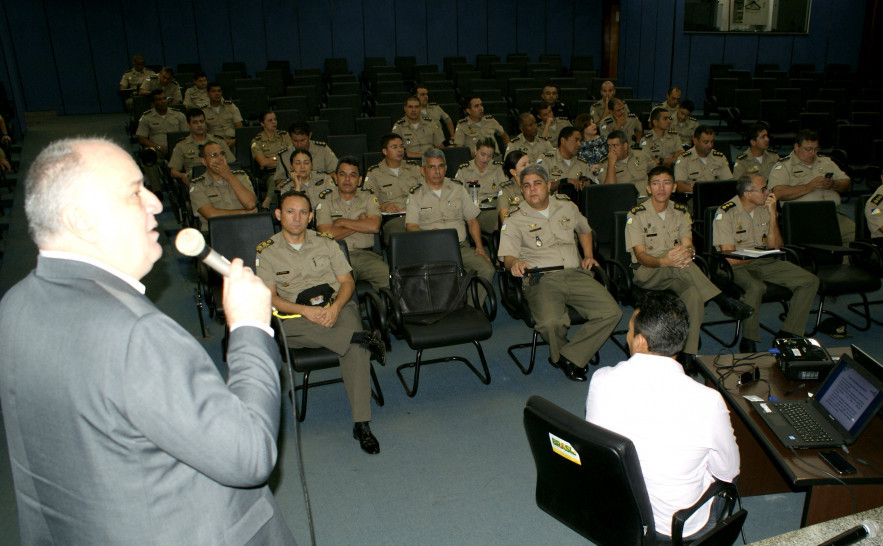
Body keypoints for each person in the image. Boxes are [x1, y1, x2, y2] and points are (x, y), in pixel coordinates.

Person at [0, 137, 295, 544]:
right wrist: (249, 327)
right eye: (135, 192)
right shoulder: (136, 334)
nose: (156, 203)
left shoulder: (14, 305)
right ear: (80, 220)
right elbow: (250, 455)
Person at [586, 292, 740, 540]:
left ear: (641, 342)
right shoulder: (708, 401)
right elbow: (728, 472)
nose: (627, 336)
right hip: (677, 527)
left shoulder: (601, 380)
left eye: (629, 330)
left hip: (619, 510)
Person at [256, 190, 384, 454]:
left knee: (356, 350)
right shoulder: (267, 252)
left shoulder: (326, 243)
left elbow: (347, 282)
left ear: (311, 216)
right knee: (283, 331)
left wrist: (336, 307)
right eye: (290, 211)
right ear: (279, 215)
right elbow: (270, 298)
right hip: (296, 315)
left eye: (303, 212)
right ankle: (357, 336)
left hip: (335, 304)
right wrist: (305, 311)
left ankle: (362, 424)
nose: (297, 218)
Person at [498, 164, 621, 382]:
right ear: (521, 191)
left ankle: (567, 356)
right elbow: (507, 257)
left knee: (612, 312)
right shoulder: (514, 218)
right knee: (551, 322)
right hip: (538, 275)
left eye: (537, 183)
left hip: (574, 272)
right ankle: (568, 355)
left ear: (547, 185)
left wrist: (589, 254)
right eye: (526, 186)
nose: (532, 189)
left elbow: (584, 229)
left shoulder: (567, 207)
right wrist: (514, 262)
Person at [626, 166, 753, 368]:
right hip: (648, 271)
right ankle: (720, 298)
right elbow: (641, 256)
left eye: (667, 183)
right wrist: (664, 261)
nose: (661, 188)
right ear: (648, 188)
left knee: (693, 293)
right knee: (680, 264)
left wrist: (688, 253)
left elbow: (689, 244)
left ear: (674, 187)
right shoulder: (636, 215)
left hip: (679, 269)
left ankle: (689, 354)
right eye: (656, 183)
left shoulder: (681, 211)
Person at [713, 174, 819, 353]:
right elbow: (730, 258)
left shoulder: (765, 208)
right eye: (763, 189)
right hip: (735, 266)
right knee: (755, 287)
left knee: (810, 281)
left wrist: (772, 215)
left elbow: (775, 246)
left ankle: (789, 333)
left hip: (763, 261)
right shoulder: (726, 212)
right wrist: (760, 255)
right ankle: (749, 339)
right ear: (747, 194)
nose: (768, 192)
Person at [405, 148, 495, 306]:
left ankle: (471, 308)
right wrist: (430, 236)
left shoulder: (458, 189)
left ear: (446, 168)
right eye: (431, 167)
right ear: (422, 170)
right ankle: (445, 310)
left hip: (460, 247)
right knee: (440, 276)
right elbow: (411, 227)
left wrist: (480, 247)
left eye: (440, 166)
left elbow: (472, 220)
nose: (437, 171)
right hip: (432, 249)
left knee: (487, 269)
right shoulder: (415, 195)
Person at [768, 129, 854, 244]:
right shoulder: (784, 166)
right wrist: (809, 187)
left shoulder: (826, 161)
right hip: (803, 216)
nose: (813, 153)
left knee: (855, 234)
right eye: (808, 149)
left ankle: (845, 262)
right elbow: (778, 192)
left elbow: (847, 183)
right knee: (823, 239)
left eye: (815, 149)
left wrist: (833, 184)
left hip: (832, 213)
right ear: (797, 147)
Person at [315, 157, 389, 289]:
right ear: (336, 179)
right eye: (342, 174)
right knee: (336, 289)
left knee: (391, 280)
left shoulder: (368, 197)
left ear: (359, 180)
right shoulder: (325, 200)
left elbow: (374, 226)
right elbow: (326, 233)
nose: (347, 179)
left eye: (352, 175)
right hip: (336, 257)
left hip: (366, 256)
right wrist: (360, 223)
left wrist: (342, 222)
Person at [363, 133, 422, 244]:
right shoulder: (374, 173)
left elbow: (427, 191)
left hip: (418, 215)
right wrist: (384, 206)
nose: (400, 150)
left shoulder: (414, 168)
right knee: (400, 238)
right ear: (384, 151)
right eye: (394, 147)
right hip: (393, 219)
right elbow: (366, 200)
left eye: (401, 146)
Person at [189, 141, 258, 232]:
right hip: (217, 231)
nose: (220, 158)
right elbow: (211, 214)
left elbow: (250, 204)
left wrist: (228, 176)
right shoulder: (197, 185)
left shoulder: (240, 177)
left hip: (244, 227)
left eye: (222, 154)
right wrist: (243, 213)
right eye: (214, 155)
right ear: (204, 161)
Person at [135, 89, 187, 192]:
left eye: (164, 98)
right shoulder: (146, 117)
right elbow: (141, 138)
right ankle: (157, 190)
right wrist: (158, 147)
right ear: (152, 103)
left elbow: (186, 134)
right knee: (148, 158)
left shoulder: (179, 115)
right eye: (158, 99)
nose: (162, 101)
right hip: (157, 149)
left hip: (177, 149)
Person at [454, 136, 508, 233]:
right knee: (501, 222)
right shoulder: (464, 170)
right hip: (477, 210)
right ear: (475, 150)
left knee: (512, 217)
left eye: (489, 156)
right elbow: (457, 194)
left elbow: (505, 190)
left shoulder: (497, 167)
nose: (485, 159)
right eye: (482, 154)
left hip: (497, 205)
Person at [168, 108, 233, 186]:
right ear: (188, 125)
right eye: (195, 122)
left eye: (201, 121)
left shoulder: (218, 142)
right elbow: (173, 172)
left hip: (220, 179)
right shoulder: (181, 146)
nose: (199, 125)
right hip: (195, 183)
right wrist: (183, 175)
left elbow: (232, 164)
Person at [268, 149, 336, 213]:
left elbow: (337, 200)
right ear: (291, 167)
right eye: (297, 163)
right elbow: (289, 210)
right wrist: (297, 188)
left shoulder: (325, 178)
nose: (302, 166)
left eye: (306, 163)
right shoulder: (286, 187)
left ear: (311, 165)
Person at [674, 125, 733, 194]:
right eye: (706, 142)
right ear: (695, 141)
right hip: (694, 197)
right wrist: (701, 190)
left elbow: (728, 182)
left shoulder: (719, 158)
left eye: (712, 142)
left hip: (717, 196)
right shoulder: (684, 159)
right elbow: (680, 186)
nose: (710, 145)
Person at [598, 129, 653, 202]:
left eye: (615, 146)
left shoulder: (641, 155)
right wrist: (611, 165)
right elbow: (609, 191)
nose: (612, 150)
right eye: (609, 147)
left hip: (648, 200)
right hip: (624, 203)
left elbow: (656, 171)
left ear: (625, 146)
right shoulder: (605, 165)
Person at [252, 111, 293, 201]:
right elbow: (263, 162)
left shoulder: (284, 136)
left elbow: (292, 156)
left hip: (288, 170)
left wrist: (271, 159)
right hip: (270, 173)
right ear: (262, 124)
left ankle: (267, 202)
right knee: (275, 179)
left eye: (275, 119)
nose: (274, 122)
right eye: (270, 120)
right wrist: (282, 159)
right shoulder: (257, 141)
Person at [537, 126, 591, 192]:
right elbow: (539, 187)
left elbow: (593, 188)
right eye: (576, 140)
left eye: (580, 141)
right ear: (563, 141)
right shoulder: (546, 159)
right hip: (554, 201)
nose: (579, 144)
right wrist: (564, 182)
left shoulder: (582, 164)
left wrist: (588, 183)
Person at [202, 82, 243, 149]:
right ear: (207, 93)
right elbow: (203, 133)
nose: (217, 93)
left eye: (219, 91)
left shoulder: (231, 107)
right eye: (213, 91)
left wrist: (235, 141)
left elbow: (240, 128)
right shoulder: (203, 111)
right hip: (213, 144)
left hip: (232, 142)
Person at [496, 150, 531, 223]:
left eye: (529, 162)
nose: (529, 166)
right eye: (524, 165)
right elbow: (505, 220)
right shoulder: (505, 189)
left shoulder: (538, 185)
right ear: (513, 171)